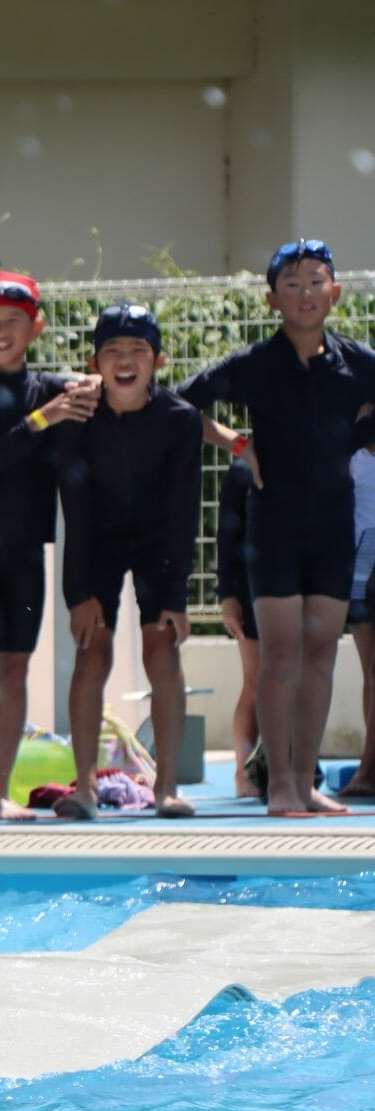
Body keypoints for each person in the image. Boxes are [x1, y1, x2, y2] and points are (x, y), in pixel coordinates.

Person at [175, 240, 375, 815]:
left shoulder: (357, 363)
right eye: (292, 284)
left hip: (333, 524)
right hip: (276, 524)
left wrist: (358, 437)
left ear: (335, 293)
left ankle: (306, 781)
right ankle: (280, 782)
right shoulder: (256, 364)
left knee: (321, 653)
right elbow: (181, 402)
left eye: (316, 282)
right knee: (281, 654)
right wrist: (237, 443)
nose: (305, 293)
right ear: (272, 299)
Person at [0, 272, 99, 820]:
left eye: (13, 320)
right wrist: (42, 419)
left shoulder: (55, 389)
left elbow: (104, 388)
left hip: (27, 552)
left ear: (37, 327)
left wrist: (96, 381)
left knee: (14, 668)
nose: (0, 330)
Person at [53, 302, 202, 820]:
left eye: (138, 350)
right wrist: (78, 593)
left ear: (157, 361)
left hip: (158, 542)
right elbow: (74, 507)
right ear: (94, 362)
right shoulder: (78, 416)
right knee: (92, 651)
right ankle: (85, 789)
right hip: (97, 540)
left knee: (162, 651)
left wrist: (176, 596)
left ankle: (166, 787)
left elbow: (184, 511)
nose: (124, 359)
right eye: (112, 349)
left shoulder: (180, 420)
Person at [216, 459, 262, 797]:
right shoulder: (242, 471)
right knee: (255, 681)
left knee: (298, 682)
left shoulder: (308, 456)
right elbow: (226, 537)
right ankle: (243, 772)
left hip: (295, 585)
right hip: (250, 589)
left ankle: (291, 767)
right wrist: (227, 595)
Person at [341, 449, 375, 798]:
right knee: (370, 674)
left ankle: (368, 767)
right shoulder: (352, 455)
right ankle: (370, 762)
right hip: (360, 572)